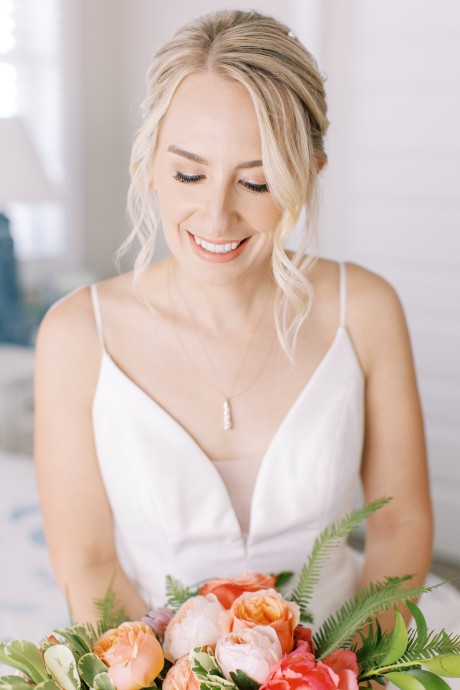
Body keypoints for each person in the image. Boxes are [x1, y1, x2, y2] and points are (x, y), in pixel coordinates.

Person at [34, 9, 432, 629]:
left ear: (308, 176)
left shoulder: (366, 310)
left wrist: (355, 665)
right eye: (189, 174)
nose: (216, 218)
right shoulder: (76, 337)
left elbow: (400, 525)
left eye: (257, 182)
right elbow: (88, 563)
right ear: (149, 164)